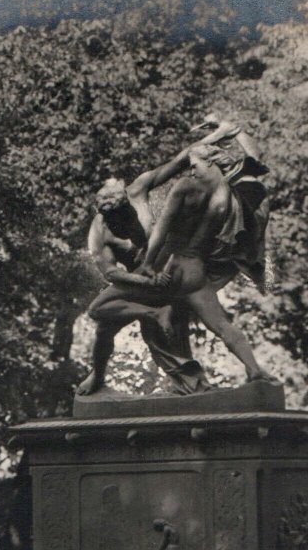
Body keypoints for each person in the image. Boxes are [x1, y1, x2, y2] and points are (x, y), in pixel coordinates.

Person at [91, 139, 274, 384]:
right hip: (193, 273)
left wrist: (147, 265)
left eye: (195, 164)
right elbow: (110, 272)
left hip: (165, 270)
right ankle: (254, 369)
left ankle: (154, 314)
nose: (191, 169)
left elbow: (162, 229)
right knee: (220, 324)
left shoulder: (180, 187)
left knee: (98, 309)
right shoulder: (226, 196)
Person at [77, 149, 211, 396]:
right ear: (106, 216)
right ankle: (98, 373)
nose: (126, 222)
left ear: (127, 200)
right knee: (104, 323)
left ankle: (193, 384)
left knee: (171, 327)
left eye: (126, 212)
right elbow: (111, 274)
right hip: (139, 279)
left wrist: (206, 148)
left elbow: (179, 161)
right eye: (118, 220)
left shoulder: (138, 191)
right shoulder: (101, 233)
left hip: (169, 265)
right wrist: (145, 280)